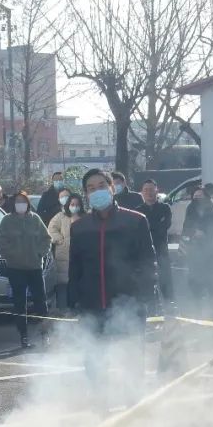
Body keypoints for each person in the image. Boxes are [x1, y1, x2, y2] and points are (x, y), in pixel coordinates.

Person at [68, 169, 157, 404]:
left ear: (111, 188)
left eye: (101, 186)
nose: (96, 191)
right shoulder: (80, 227)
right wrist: (73, 301)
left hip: (128, 305)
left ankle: (134, 409)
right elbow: (75, 268)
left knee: (131, 362)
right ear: (86, 194)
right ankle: (99, 410)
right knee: (95, 363)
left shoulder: (135, 221)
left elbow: (148, 263)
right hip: (92, 306)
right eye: (90, 188)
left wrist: (145, 296)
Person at [0, 191, 53, 348]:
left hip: (35, 268)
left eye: (23, 201)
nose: (20, 204)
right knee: (20, 303)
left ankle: (45, 335)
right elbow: (0, 242)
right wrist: (12, 255)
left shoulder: (35, 219)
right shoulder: (7, 220)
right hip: (15, 269)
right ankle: (24, 336)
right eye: (17, 201)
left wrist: (39, 253)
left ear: (28, 203)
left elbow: (47, 239)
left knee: (41, 302)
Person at [182, 186, 213, 302]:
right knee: (195, 279)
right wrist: (194, 232)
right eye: (195, 196)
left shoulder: (212, 208)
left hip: (210, 249)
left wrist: (205, 233)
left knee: (212, 278)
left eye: (200, 196)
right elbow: (186, 228)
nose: (198, 199)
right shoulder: (190, 208)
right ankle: (198, 302)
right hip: (194, 250)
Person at [138, 179, 174, 303]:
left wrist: (148, 226)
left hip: (161, 250)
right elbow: (139, 231)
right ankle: (152, 306)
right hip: (145, 252)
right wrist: (155, 224)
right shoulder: (138, 211)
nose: (149, 192)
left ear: (156, 191)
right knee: (147, 281)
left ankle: (170, 305)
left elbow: (164, 226)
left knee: (166, 281)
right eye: (146, 190)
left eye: (151, 190)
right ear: (142, 192)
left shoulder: (165, 208)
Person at [47, 192, 83, 310]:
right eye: (72, 204)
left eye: (77, 204)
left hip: (80, 255)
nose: (74, 207)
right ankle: (63, 309)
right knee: (63, 284)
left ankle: (77, 307)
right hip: (63, 255)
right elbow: (51, 229)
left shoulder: (85, 217)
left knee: (78, 283)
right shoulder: (61, 216)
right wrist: (60, 240)